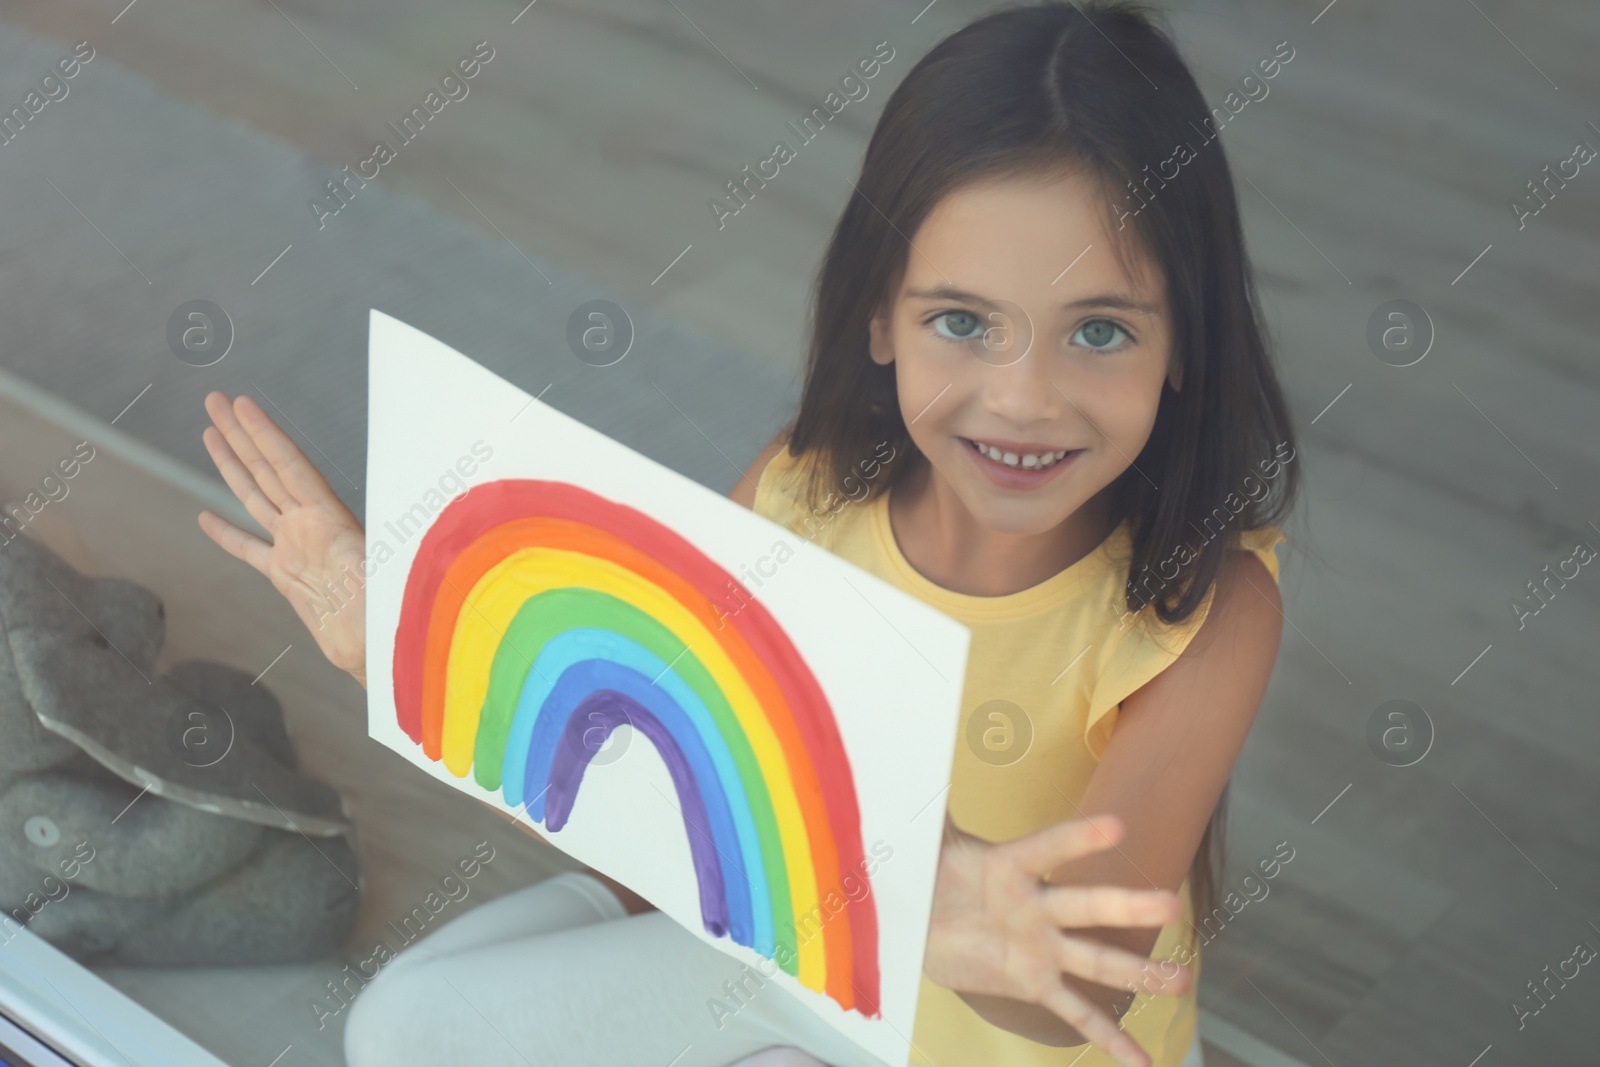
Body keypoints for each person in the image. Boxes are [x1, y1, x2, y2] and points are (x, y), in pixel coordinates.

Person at [195, 2, 1299, 1064]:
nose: (1021, 398)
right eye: (960, 322)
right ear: (878, 314)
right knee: (393, 1030)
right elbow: (650, 784)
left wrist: (922, 897)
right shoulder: (803, 487)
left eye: (1097, 330)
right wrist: (420, 649)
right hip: (799, 960)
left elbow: (1073, 996)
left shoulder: (1209, 607)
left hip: (993, 1048)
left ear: (1185, 342)